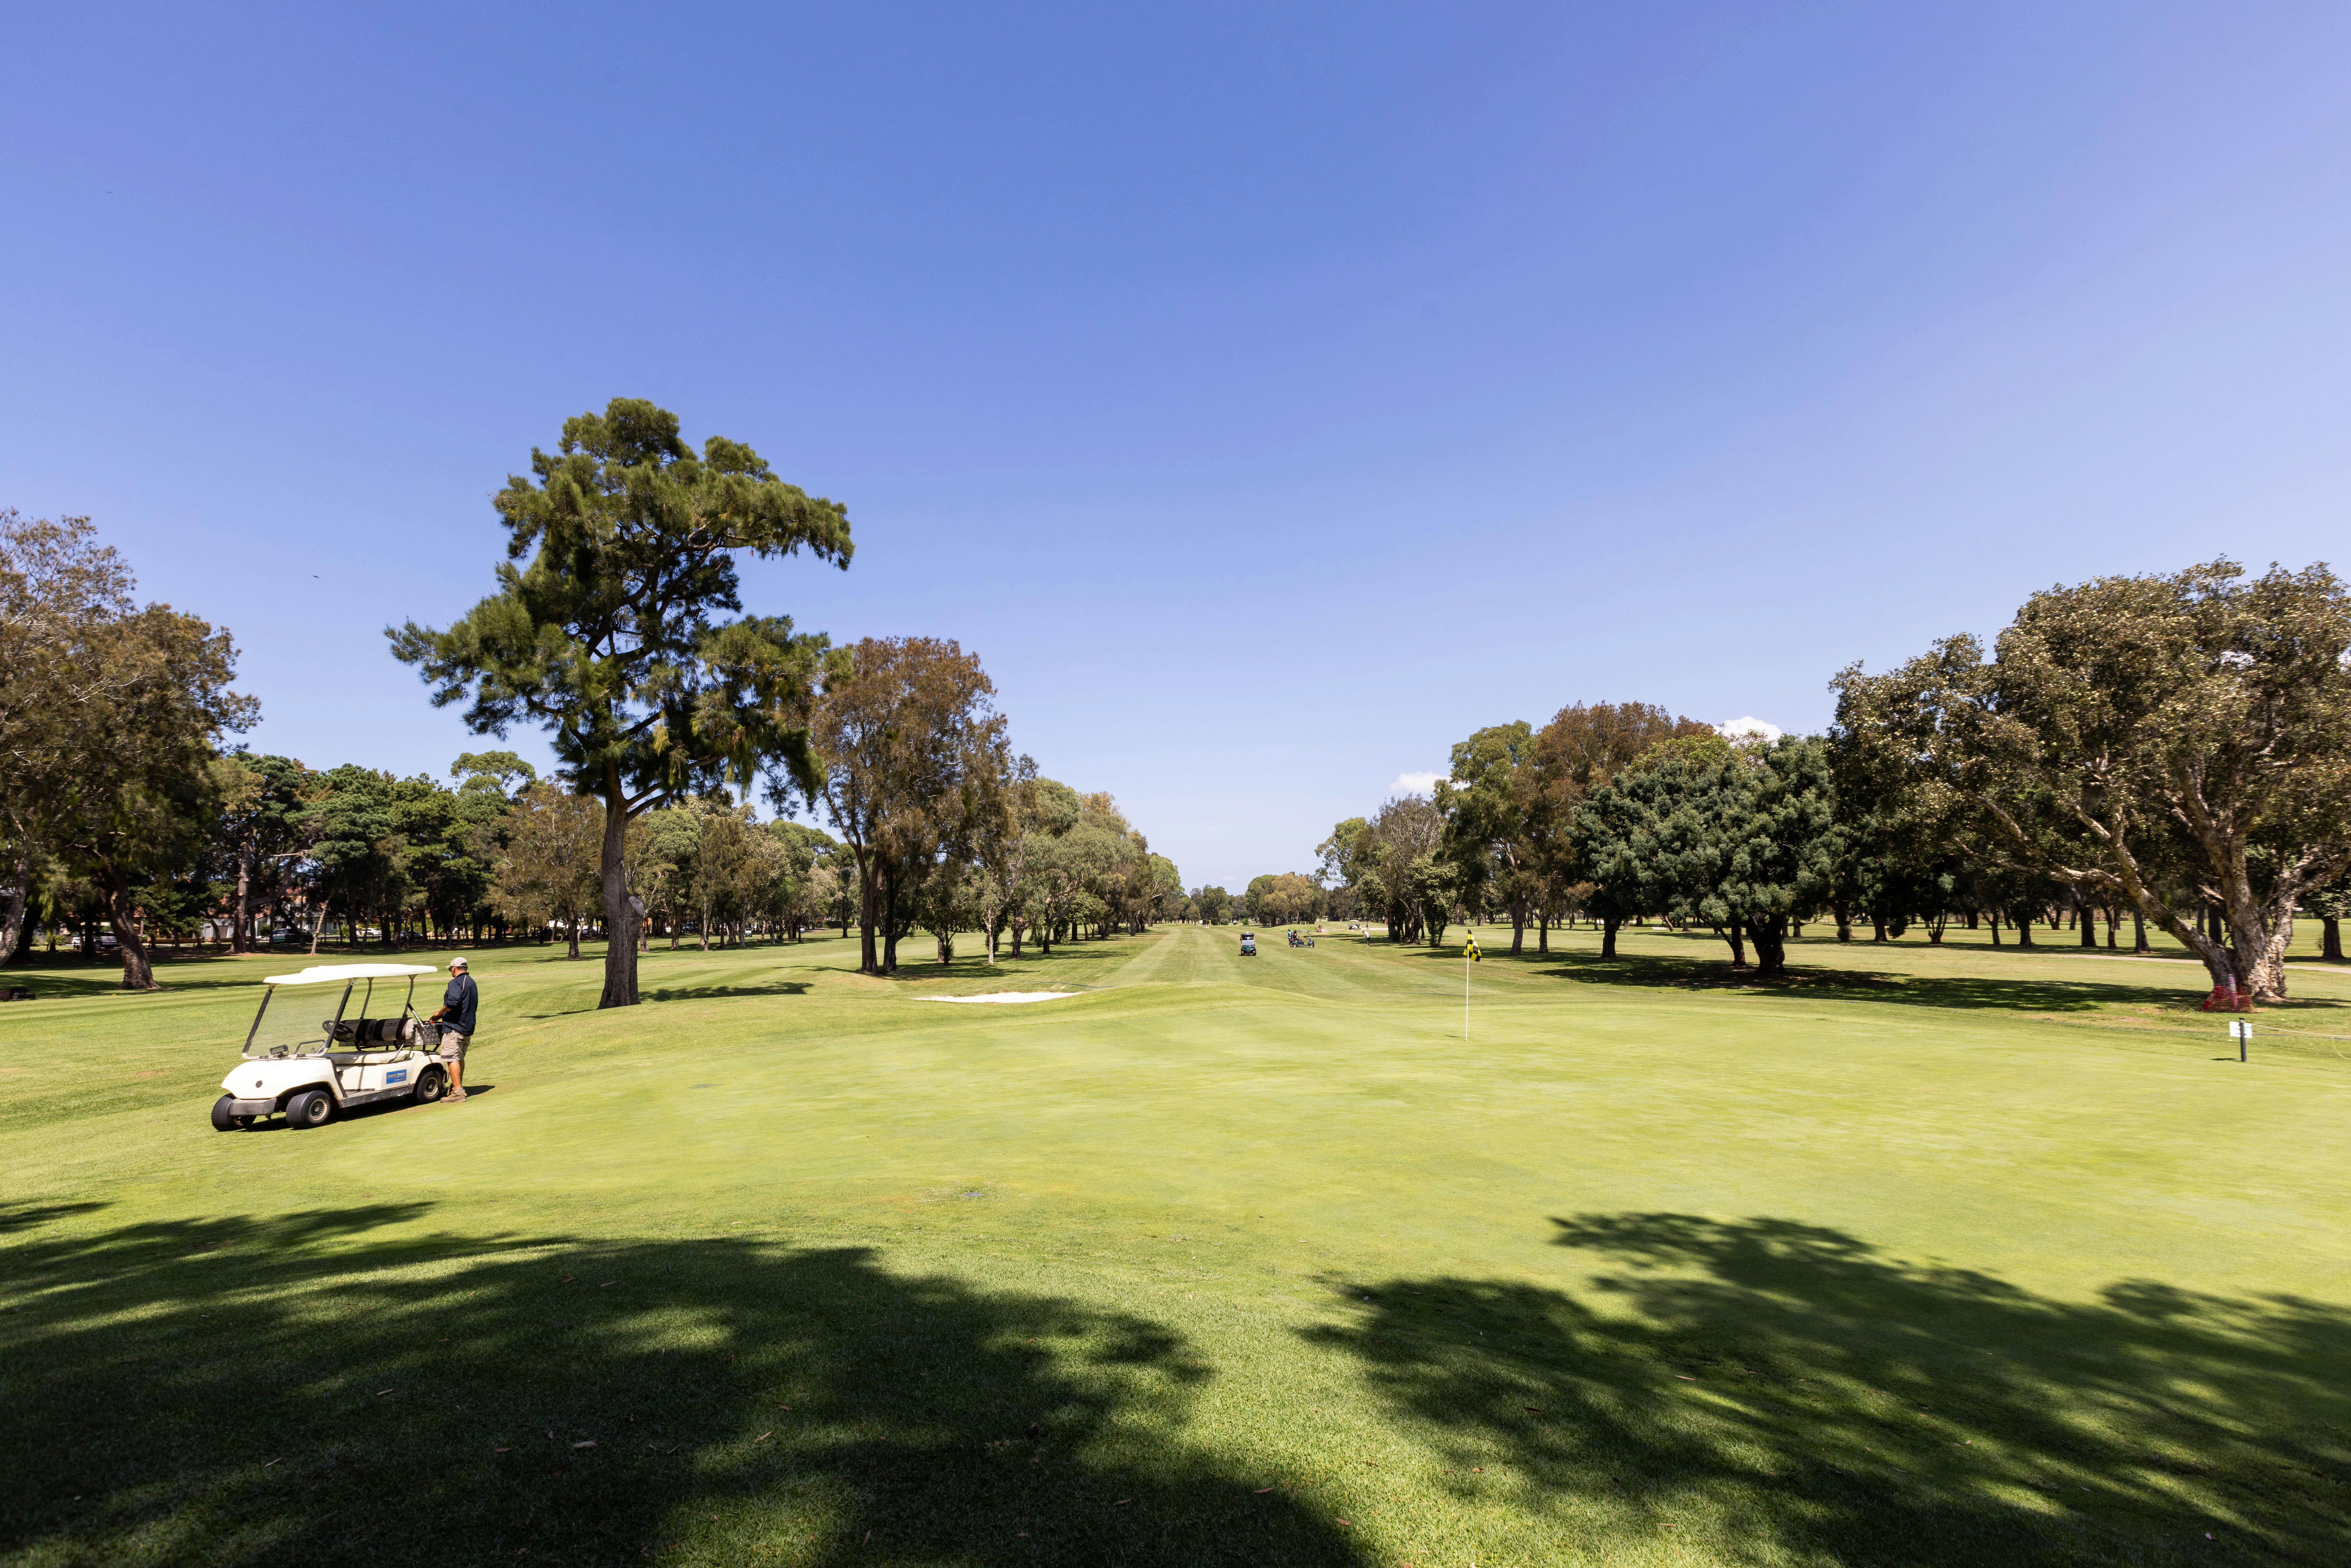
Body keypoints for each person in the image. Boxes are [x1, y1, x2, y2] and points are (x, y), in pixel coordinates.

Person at [428, 957, 478, 1102]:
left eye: (451, 969)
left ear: (455, 968)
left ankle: (458, 1093)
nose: (451, 971)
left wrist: (439, 1013)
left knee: (452, 1059)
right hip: (467, 1026)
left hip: (455, 1027)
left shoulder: (455, 982)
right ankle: (458, 1087)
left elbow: (453, 1002)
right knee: (459, 1058)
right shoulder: (471, 982)